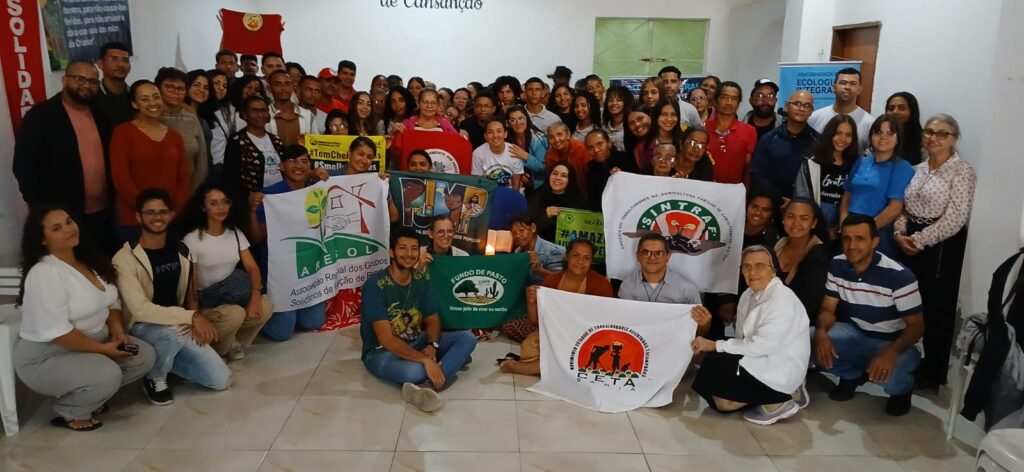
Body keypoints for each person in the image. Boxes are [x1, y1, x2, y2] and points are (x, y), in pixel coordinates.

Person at [13, 205, 156, 431]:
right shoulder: (45, 273)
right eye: (57, 228)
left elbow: (112, 302)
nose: (69, 229)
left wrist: (117, 331)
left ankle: (90, 393)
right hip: (48, 355)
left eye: (69, 222)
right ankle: (70, 409)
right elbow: (59, 333)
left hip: (93, 343)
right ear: (43, 240)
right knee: (108, 373)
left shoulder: (88, 260)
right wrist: (104, 350)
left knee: (144, 356)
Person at [113, 188, 231, 406]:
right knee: (171, 333)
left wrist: (192, 318)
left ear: (171, 215)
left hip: (178, 324)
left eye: (162, 212)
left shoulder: (182, 249)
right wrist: (190, 317)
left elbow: (190, 294)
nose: (157, 217)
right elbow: (140, 309)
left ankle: (166, 361)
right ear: (138, 217)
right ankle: (155, 377)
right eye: (150, 212)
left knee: (220, 380)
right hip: (142, 326)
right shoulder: (124, 259)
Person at [894, 114, 975, 388]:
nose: (934, 138)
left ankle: (933, 372)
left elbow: (957, 216)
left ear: (954, 138)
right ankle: (906, 362)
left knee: (935, 308)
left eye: (943, 134)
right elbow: (903, 207)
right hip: (909, 239)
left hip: (941, 246)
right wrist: (899, 233)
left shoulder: (961, 171)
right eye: (929, 132)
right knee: (908, 302)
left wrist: (921, 240)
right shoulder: (916, 169)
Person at [814, 214, 923, 416]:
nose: (852, 245)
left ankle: (902, 391)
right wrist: (821, 333)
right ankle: (851, 376)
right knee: (809, 338)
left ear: (874, 242)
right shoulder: (837, 264)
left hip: (895, 341)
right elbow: (828, 309)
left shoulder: (899, 275)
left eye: (860, 238)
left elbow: (916, 327)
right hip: (858, 333)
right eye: (846, 238)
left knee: (893, 377)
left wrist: (890, 352)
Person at [360, 228, 478, 412]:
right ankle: (446, 365)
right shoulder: (375, 285)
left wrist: (432, 345)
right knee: (414, 371)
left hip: (416, 340)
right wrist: (425, 360)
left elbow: (433, 319)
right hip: (381, 352)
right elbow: (386, 339)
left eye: (414, 248)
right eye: (402, 248)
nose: (409, 254)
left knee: (468, 338)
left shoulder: (421, 279)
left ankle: (426, 388)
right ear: (391, 252)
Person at [691, 245, 810, 425]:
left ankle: (781, 398)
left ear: (773, 271)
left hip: (780, 364)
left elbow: (760, 346)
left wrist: (715, 345)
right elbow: (742, 338)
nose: (752, 272)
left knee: (715, 363)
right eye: (747, 266)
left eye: (760, 266)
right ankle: (776, 395)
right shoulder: (748, 295)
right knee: (720, 402)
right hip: (758, 357)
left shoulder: (783, 300)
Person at [13, 60, 115, 253]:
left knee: (100, 262)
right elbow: (23, 165)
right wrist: (41, 208)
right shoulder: (40, 116)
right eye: (80, 79)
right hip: (61, 215)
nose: (87, 85)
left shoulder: (102, 115)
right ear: (65, 80)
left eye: (93, 81)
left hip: (102, 213)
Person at [178, 182, 274, 360]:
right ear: (203, 207)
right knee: (235, 313)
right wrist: (195, 317)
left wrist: (255, 297)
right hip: (207, 302)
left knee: (266, 305)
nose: (221, 207)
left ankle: (232, 341)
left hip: (232, 297)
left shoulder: (235, 233)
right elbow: (190, 285)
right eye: (213, 203)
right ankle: (217, 351)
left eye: (225, 202)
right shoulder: (192, 240)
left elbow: (252, 268)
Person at [247, 145, 330, 341]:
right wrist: (252, 210)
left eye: (304, 161)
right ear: (281, 166)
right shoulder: (269, 195)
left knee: (314, 322)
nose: (298, 166)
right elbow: (257, 238)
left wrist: (379, 181)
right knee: (282, 333)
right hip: (279, 275)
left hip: (307, 273)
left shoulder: (317, 190)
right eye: (292, 161)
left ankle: (295, 310)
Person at [499, 239, 613, 375]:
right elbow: (537, 321)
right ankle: (554, 366)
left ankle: (530, 368)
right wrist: (531, 301)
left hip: (585, 337)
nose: (580, 261)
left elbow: (605, 325)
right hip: (555, 333)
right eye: (575, 255)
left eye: (586, 258)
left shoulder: (601, 285)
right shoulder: (552, 281)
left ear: (591, 261)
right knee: (529, 347)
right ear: (567, 256)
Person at [110, 80, 191, 244]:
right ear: (134, 104)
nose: (152, 103)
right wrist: (147, 211)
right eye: (144, 99)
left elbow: (184, 178)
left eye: (156, 97)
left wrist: (173, 211)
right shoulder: (123, 132)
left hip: (169, 217)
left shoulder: (174, 136)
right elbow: (120, 176)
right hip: (134, 217)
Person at [839, 114, 914, 259]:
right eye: (878, 132)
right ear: (871, 135)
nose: (883, 137)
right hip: (850, 228)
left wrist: (865, 231)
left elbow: (894, 209)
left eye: (890, 133)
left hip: (878, 231)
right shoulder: (861, 161)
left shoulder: (902, 167)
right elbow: (847, 195)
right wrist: (844, 223)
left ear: (898, 138)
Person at [793, 114, 859, 239]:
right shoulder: (811, 163)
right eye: (838, 133)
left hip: (842, 231)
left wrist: (838, 228)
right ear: (830, 134)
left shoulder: (856, 166)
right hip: (811, 230)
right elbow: (801, 198)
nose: (843, 139)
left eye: (848, 135)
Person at [750, 90, 818, 199]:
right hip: (773, 203)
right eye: (797, 104)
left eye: (807, 106)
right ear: (786, 106)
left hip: (806, 205)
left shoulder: (818, 141)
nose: (801, 108)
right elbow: (758, 175)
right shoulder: (768, 139)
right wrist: (779, 199)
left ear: (811, 111)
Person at [774, 198, 831, 322]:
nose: (796, 223)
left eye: (804, 218)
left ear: (814, 223)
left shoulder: (819, 255)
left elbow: (810, 306)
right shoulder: (778, 245)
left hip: (797, 323)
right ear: (783, 219)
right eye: (790, 217)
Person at [156, 67, 209, 190]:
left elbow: (202, 164)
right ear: (158, 89)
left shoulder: (192, 119)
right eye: (170, 87)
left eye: (181, 88)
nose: (176, 92)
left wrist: (191, 192)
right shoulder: (151, 118)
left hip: (188, 190)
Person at [618, 233, 703, 307]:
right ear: (638, 256)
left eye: (659, 253)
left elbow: (698, 321)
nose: (652, 258)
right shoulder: (627, 286)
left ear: (668, 257)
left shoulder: (687, 289)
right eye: (646, 253)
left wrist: (705, 320)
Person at [223, 95, 286, 195]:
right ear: (245, 114)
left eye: (263, 110)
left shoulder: (277, 141)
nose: (260, 115)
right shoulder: (237, 141)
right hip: (251, 200)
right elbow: (230, 177)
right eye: (255, 111)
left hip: (278, 197)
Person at [808, 68, 874, 153]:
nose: (847, 87)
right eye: (843, 83)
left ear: (859, 89)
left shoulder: (870, 123)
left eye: (853, 84)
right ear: (834, 88)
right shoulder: (814, 117)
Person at [705, 81, 757, 185]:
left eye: (734, 99)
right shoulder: (702, 128)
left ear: (738, 103)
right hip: (704, 189)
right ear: (715, 101)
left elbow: (748, 168)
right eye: (724, 97)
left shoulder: (749, 131)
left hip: (734, 190)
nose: (729, 102)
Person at [528, 161, 585, 243]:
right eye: (555, 174)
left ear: (570, 180)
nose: (558, 178)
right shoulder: (538, 195)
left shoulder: (578, 200)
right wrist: (546, 216)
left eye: (563, 176)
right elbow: (529, 230)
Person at [584, 129, 636, 211]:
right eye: (591, 147)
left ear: (609, 143)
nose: (596, 150)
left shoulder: (626, 159)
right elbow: (593, 199)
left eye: (599, 144)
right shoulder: (591, 167)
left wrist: (622, 177)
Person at [505, 106, 550, 190]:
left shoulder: (538, 139)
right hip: (516, 182)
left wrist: (526, 156)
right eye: (513, 120)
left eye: (521, 118)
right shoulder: (506, 139)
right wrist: (519, 174)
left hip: (540, 185)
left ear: (527, 119)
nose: (518, 123)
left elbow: (544, 168)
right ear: (508, 123)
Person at [511, 214, 566, 283]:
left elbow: (559, 281)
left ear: (533, 228)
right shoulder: (517, 251)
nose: (517, 235)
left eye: (522, 230)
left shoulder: (554, 250)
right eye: (514, 232)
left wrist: (538, 269)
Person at [472, 119, 524, 190]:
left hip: (509, 192)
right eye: (490, 132)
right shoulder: (478, 153)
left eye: (499, 131)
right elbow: (477, 183)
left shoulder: (514, 151)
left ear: (505, 134)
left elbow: (515, 185)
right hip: (487, 192)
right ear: (485, 136)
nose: (495, 135)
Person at [266, 70, 312, 146]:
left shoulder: (307, 115)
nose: (283, 88)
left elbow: (316, 144)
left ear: (293, 86)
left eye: (287, 84)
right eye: (277, 84)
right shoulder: (263, 115)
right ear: (269, 88)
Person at [544, 122, 591, 197]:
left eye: (559, 134)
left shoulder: (582, 149)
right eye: (551, 137)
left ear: (568, 134)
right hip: (563, 196)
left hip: (586, 193)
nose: (556, 140)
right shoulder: (549, 157)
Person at [94, 42, 135, 125]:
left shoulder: (135, 95)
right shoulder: (92, 96)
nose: (121, 65)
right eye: (113, 59)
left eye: (125, 60)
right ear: (100, 64)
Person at [885, 92, 923, 165]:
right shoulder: (880, 134)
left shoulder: (923, 139)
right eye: (891, 108)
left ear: (912, 111)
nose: (895, 112)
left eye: (901, 108)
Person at [602, 85, 633, 152]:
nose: (614, 103)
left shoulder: (631, 126)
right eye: (610, 100)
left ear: (626, 103)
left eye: (619, 100)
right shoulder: (604, 126)